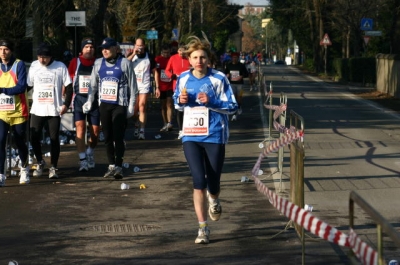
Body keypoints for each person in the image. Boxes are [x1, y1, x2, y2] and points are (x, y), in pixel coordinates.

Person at [172, 36, 238, 244]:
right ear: (189, 60)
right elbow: (177, 103)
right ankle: (202, 228)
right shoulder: (183, 78)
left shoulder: (219, 79)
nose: (199, 61)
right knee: (198, 181)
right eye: (195, 57)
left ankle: (215, 199)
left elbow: (233, 106)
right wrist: (180, 101)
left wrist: (212, 101)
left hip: (214, 135)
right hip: (191, 135)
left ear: (209, 60)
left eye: (202, 57)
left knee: (213, 181)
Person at [83, 37, 137, 179]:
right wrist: (89, 100)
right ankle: (111, 165)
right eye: (102, 48)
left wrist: (131, 105)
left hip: (120, 105)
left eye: (107, 48)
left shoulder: (124, 63)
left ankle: (119, 166)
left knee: (118, 136)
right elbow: (93, 85)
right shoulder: (98, 63)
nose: (104, 51)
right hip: (104, 105)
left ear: (115, 48)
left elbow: (133, 87)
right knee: (107, 137)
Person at [28, 42, 73, 179]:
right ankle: (40, 162)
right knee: (33, 137)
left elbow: (69, 86)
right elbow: (27, 86)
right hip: (37, 108)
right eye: (40, 57)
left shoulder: (60, 67)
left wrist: (66, 104)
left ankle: (53, 167)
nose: (42, 60)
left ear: (51, 56)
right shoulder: (34, 66)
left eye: (45, 57)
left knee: (54, 138)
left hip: (54, 109)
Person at [0, 39, 30, 186]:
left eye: (5, 49)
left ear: (11, 51)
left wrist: (4, 91)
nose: (3, 52)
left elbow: (21, 86)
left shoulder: (19, 64)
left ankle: (24, 169)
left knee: (19, 142)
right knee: (0, 141)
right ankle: (1, 174)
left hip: (19, 110)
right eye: (0, 49)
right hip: (2, 112)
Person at [68, 37, 100, 172]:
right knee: (80, 128)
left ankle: (90, 152)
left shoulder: (98, 63)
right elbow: (68, 81)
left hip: (94, 100)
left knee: (95, 132)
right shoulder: (75, 62)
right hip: (79, 99)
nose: (89, 49)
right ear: (82, 49)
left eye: (91, 47)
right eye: (86, 47)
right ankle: (82, 160)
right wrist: (66, 100)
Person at [127, 38, 155, 140]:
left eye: (141, 45)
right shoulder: (131, 55)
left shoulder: (149, 56)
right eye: (137, 45)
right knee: (133, 111)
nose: (139, 47)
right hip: (133, 85)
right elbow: (125, 64)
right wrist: (134, 53)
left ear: (144, 46)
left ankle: (142, 131)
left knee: (142, 106)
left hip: (144, 84)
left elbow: (155, 71)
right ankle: (137, 122)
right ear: (135, 45)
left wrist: (158, 87)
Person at [165, 42, 191, 139]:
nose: (181, 54)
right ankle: (181, 130)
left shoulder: (189, 58)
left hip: (189, 86)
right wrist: (171, 75)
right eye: (180, 51)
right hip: (177, 86)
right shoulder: (173, 58)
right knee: (179, 108)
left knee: (188, 108)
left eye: (183, 52)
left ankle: (187, 128)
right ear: (177, 50)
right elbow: (167, 70)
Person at [154, 44, 174, 132]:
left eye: (168, 53)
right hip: (161, 86)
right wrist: (157, 86)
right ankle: (165, 123)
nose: (166, 54)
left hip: (170, 85)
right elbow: (155, 72)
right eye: (164, 53)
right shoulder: (158, 59)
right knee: (163, 106)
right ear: (161, 52)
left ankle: (170, 123)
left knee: (169, 104)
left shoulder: (172, 59)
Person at [224, 52, 248, 121]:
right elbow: (225, 73)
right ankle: (234, 111)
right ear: (231, 58)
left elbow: (246, 74)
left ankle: (239, 107)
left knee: (239, 97)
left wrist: (241, 76)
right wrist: (227, 75)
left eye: (236, 58)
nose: (234, 59)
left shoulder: (241, 65)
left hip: (240, 84)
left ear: (238, 58)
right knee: (233, 97)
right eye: (233, 57)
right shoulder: (229, 65)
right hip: (231, 83)